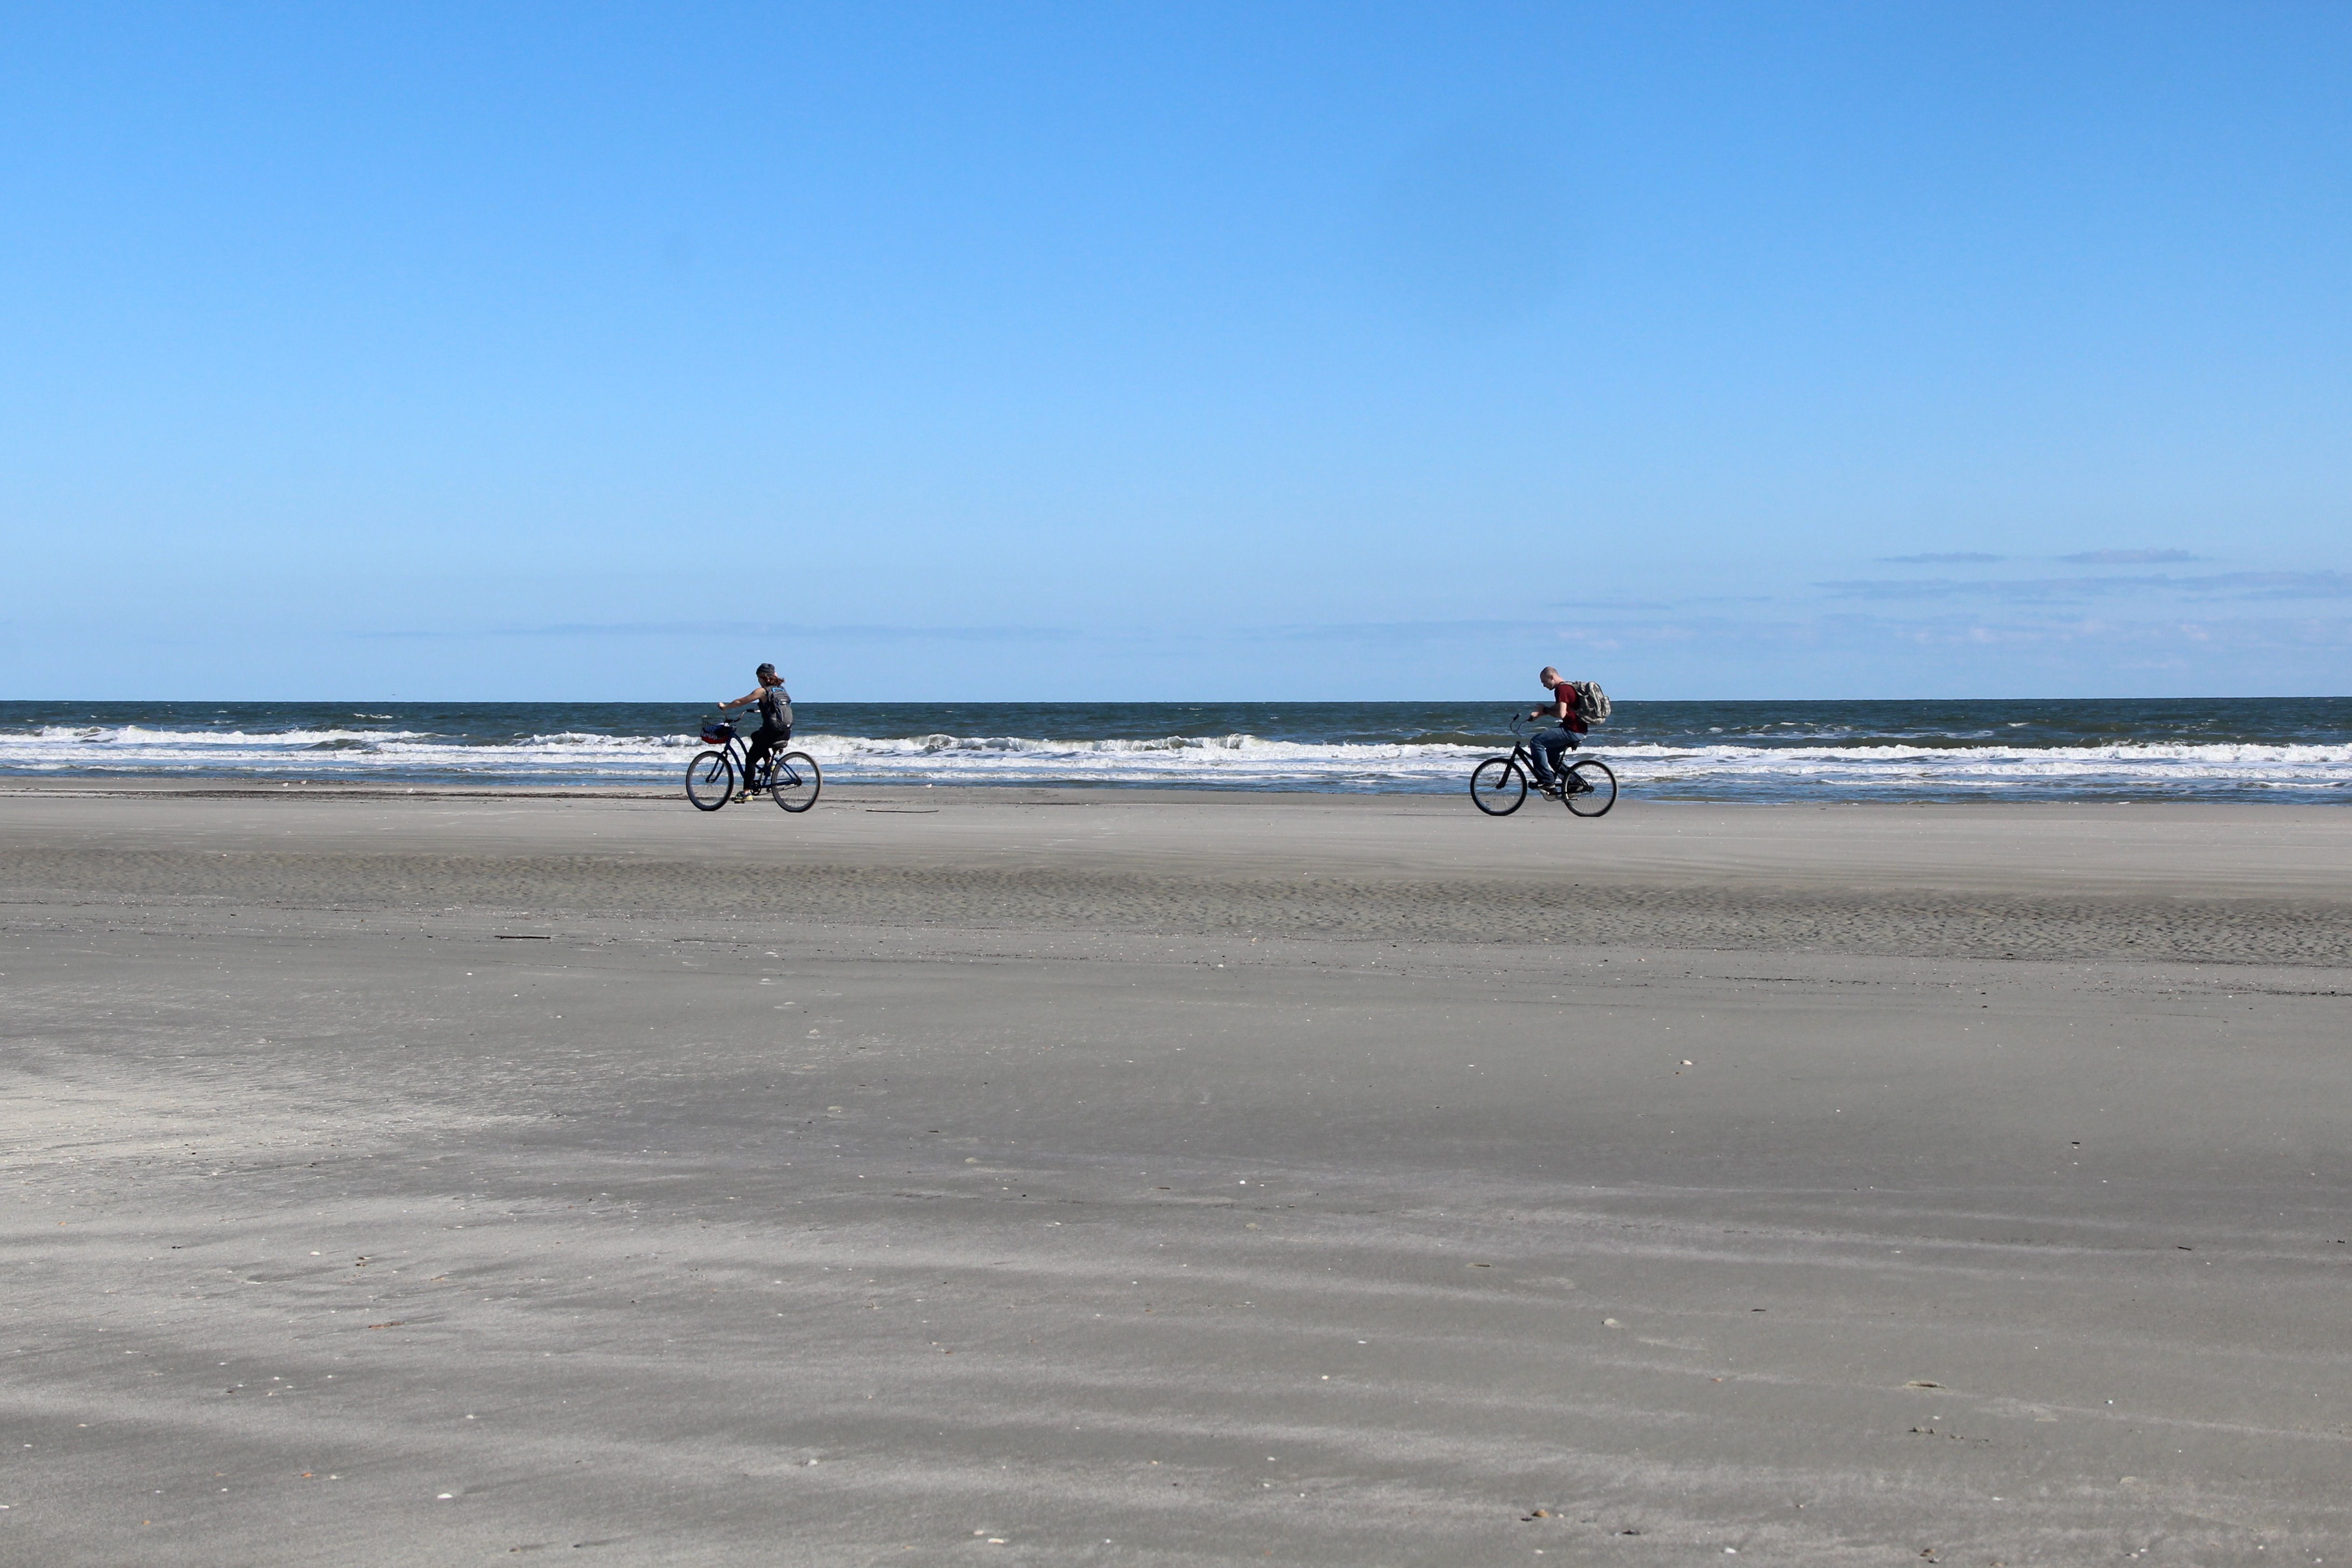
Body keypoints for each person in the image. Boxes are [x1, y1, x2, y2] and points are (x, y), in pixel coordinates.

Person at [717, 663, 793, 800]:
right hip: (786, 732)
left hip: (771, 733)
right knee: (756, 736)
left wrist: (726, 707)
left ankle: (746, 793)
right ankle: (768, 762)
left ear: (763, 677)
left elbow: (741, 701)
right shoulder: (781, 690)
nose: (758, 680)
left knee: (751, 760)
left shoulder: (762, 691)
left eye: (759, 677)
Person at [1525, 666, 1591, 795]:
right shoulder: (1568, 687)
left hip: (1572, 730)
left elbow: (1561, 714)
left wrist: (1545, 710)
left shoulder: (1562, 689)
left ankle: (1546, 781)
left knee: (1536, 742)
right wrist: (1541, 713)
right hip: (1579, 731)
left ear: (1552, 678)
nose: (1544, 686)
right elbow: (1561, 709)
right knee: (1551, 755)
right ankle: (1574, 782)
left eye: (1544, 682)